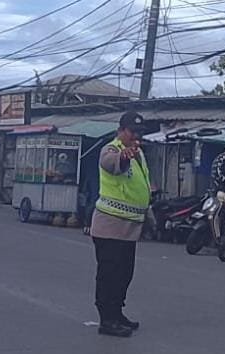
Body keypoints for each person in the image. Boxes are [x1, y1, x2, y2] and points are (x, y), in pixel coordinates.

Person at [90, 111, 152, 338]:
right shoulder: (111, 149)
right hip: (110, 226)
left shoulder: (139, 153)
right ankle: (107, 319)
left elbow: (140, 184)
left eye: (139, 133)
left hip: (129, 228)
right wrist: (124, 157)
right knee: (110, 275)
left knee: (125, 275)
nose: (136, 136)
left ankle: (117, 313)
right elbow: (111, 164)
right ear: (121, 131)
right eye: (132, 132)